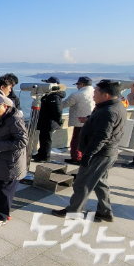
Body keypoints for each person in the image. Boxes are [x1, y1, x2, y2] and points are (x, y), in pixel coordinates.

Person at [52, 80, 126, 221]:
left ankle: (73, 211)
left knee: (82, 182)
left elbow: (101, 136)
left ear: (106, 95)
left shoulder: (108, 112)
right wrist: (89, 119)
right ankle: (105, 211)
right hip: (107, 152)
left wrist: (88, 155)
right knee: (100, 182)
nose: (93, 95)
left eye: (96, 92)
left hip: (100, 153)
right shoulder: (115, 106)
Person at [0, 95, 28, 227]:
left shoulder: (14, 120)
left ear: (5, 106)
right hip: (2, 161)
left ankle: (1, 216)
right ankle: (0, 209)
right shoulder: (2, 117)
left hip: (10, 163)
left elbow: (23, 140)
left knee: (5, 190)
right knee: (0, 189)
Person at [61, 77, 95, 164]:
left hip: (80, 121)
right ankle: (85, 157)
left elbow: (63, 105)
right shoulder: (96, 93)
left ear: (82, 85)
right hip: (93, 120)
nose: (77, 87)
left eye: (78, 85)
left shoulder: (77, 95)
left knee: (77, 140)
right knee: (88, 141)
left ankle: (76, 158)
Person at [32, 77, 66, 162]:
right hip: (45, 121)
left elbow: (57, 110)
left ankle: (45, 156)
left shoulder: (54, 96)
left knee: (47, 139)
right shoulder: (49, 95)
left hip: (49, 122)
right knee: (43, 138)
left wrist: (59, 121)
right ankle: (41, 153)